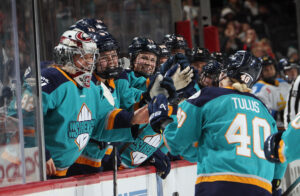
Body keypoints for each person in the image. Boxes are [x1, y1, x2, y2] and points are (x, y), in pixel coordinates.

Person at [163, 50, 285, 195]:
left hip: (219, 184)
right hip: (261, 187)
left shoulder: (207, 96)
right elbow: (278, 151)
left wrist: (162, 123)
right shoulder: (264, 110)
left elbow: (176, 142)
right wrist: (276, 182)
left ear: (224, 73)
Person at [42, 29, 154, 178]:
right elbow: (27, 119)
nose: (90, 62)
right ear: (66, 55)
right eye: (84, 57)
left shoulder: (91, 87)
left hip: (64, 171)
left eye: (92, 57)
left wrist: (132, 118)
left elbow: (101, 121)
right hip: (39, 170)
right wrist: (40, 153)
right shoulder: (51, 79)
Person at [252, 55, 290, 130]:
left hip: (288, 126)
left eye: (271, 68)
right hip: (272, 129)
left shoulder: (284, 84)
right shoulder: (258, 89)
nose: (270, 72)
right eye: (266, 70)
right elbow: (263, 115)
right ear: (261, 72)